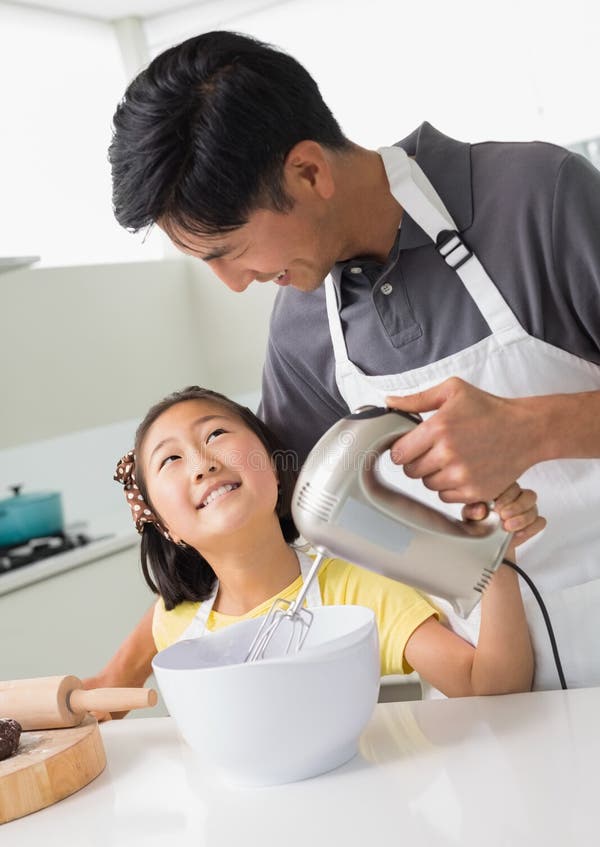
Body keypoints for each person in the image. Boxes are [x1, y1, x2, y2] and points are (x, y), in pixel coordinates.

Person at [107, 31, 600, 689]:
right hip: (505, 703)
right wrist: (108, 680)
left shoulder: (537, 198)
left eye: (228, 249)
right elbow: (259, 517)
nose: (234, 283)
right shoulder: (301, 326)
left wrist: (538, 429)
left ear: (309, 172)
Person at [91, 384, 543, 716]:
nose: (202, 463)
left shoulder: (360, 592)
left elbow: (490, 689)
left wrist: (498, 558)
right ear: (163, 525)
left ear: (274, 465)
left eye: (215, 435)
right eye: (170, 459)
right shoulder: (175, 624)